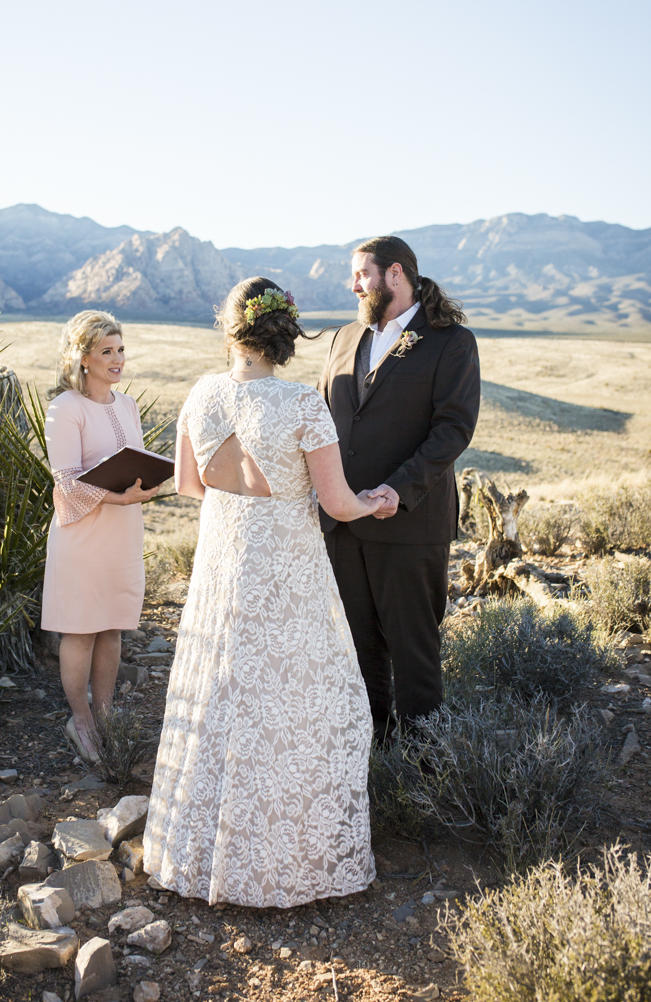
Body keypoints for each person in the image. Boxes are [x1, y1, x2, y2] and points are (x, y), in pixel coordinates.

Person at [143, 278, 391, 908]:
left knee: (220, 689)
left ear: (231, 330)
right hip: (286, 565)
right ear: (285, 335)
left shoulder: (202, 394)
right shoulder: (305, 406)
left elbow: (189, 486)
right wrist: (377, 503)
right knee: (296, 694)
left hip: (223, 560)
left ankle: (199, 854)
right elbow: (336, 501)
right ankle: (285, 859)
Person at [318, 236, 481, 741]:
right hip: (345, 524)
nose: (353, 285)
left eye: (361, 275)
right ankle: (370, 756)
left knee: (414, 655)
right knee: (358, 649)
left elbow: (453, 429)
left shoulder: (449, 341)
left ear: (394, 274)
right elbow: (326, 420)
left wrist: (397, 488)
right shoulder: (344, 337)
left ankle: (424, 773)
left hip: (408, 522)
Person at [41, 310, 159, 764]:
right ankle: (81, 721)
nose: (117, 359)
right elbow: (66, 483)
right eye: (106, 351)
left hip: (123, 535)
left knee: (112, 627)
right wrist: (119, 497)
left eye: (121, 349)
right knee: (82, 630)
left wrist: (145, 486)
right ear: (83, 358)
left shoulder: (127, 406)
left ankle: (106, 715)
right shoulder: (65, 408)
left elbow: (135, 464)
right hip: (82, 537)